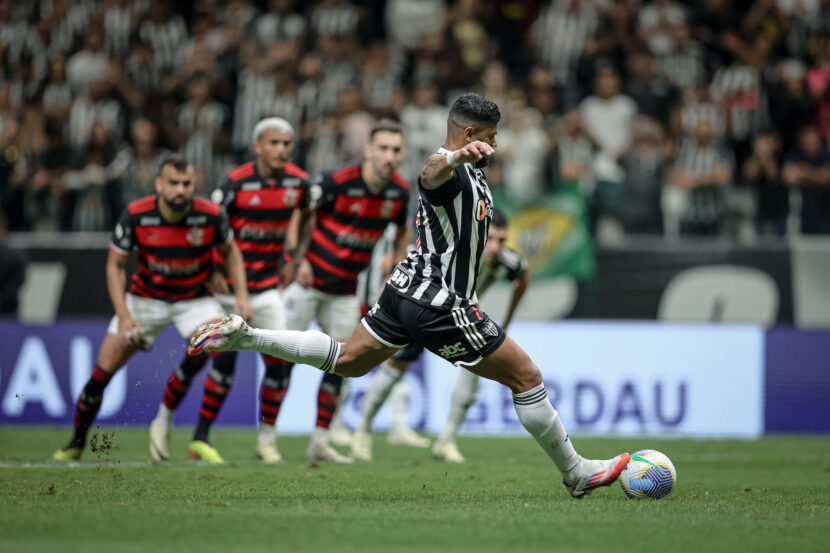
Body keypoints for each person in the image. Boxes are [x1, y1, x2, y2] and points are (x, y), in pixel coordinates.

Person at [189, 93, 629, 498]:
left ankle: (247, 336)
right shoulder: (450, 171)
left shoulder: (472, 173)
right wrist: (453, 157)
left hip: (404, 291)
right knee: (527, 377)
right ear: (470, 134)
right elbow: (429, 174)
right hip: (440, 303)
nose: (496, 145)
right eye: (492, 136)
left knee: (348, 360)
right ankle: (576, 472)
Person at [52, 153, 251, 461]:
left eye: (187, 183)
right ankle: (76, 443)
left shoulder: (211, 215)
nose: (181, 190)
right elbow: (115, 265)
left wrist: (242, 296)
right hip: (144, 300)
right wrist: (123, 315)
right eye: (174, 183)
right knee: (101, 374)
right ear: (159, 184)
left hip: (193, 300)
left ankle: (199, 438)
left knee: (225, 347)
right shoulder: (136, 214)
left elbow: (231, 252)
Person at [148, 118, 314, 464]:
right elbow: (208, 224)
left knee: (281, 362)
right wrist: (212, 270)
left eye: (287, 143)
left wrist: (296, 258)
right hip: (225, 288)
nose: (281, 149)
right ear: (257, 146)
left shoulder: (299, 182)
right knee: (208, 358)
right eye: (274, 143)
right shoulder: (235, 183)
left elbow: (308, 214)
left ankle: (266, 441)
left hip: (266, 288)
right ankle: (168, 423)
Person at [263, 118, 411, 463]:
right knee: (283, 360)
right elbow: (299, 213)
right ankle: (266, 440)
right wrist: (297, 259)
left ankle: (320, 441)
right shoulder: (336, 181)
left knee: (342, 363)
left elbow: (403, 230)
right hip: (307, 284)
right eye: (384, 148)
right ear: (368, 150)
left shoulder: (399, 192)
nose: (390, 156)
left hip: (346, 290)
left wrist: (395, 262)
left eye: (396, 150)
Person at [350, 208, 530, 463]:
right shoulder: (449, 251)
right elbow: (395, 262)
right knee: (394, 367)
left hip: (459, 319)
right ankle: (362, 431)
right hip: (423, 313)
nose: (494, 247)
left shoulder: (506, 261)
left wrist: (508, 320)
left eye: (501, 240)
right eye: (489, 238)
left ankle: (446, 440)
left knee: (478, 366)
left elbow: (523, 273)